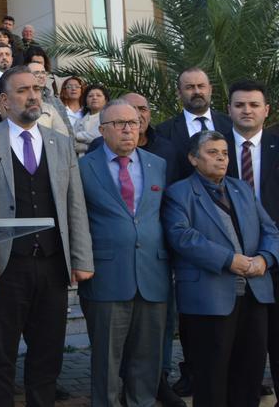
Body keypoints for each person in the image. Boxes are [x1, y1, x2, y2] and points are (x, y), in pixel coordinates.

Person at [0, 66, 94, 406]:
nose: (33, 96)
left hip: (53, 265)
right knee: (0, 355)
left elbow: (75, 205)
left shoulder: (61, 143)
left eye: (36, 90)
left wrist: (81, 258)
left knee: (47, 354)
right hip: (6, 266)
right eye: (23, 90)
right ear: (3, 101)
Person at [162, 130, 279, 406]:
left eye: (225, 153)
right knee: (211, 377)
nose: (221, 159)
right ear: (193, 158)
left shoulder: (242, 189)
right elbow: (182, 236)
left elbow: (270, 230)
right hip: (208, 298)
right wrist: (229, 259)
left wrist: (265, 258)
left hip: (254, 294)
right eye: (212, 153)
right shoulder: (178, 193)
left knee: (250, 373)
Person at [78, 100, 170, 407]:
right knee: (106, 357)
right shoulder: (83, 168)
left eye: (133, 122)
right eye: (119, 124)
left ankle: (141, 402)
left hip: (152, 273)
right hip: (106, 274)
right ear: (103, 130)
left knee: (148, 356)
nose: (128, 129)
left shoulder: (157, 165)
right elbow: (77, 218)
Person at [224, 80, 279, 393]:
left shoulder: (277, 146)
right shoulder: (213, 149)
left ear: (266, 110)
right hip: (232, 263)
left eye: (254, 105)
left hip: (277, 259)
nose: (247, 110)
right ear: (229, 109)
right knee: (243, 349)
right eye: (240, 105)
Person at [156, 67, 233, 183]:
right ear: (179, 93)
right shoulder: (165, 131)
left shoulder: (230, 124)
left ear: (210, 89)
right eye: (190, 87)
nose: (197, 92)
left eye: (201, 86)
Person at [74, 84, 109, 156]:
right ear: (86, 101)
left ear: (105, 100)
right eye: (90, 96)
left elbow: (100, 137)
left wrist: (77, 136)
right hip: (80, 160)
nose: (94, 98)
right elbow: (71, 141)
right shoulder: (79, 121)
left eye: (98, 95)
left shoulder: (109, 118)